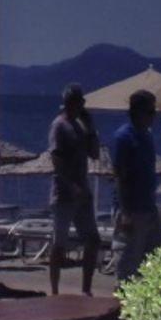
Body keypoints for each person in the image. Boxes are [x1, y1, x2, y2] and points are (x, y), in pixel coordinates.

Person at [46, 84, 102, 295]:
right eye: (77, 102)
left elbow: (95, 154)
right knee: (59, 244)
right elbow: (56, 160)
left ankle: (86, 289)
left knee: (93, 240)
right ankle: (54, 290)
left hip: (82, 194)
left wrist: (91, 128)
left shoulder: (79, 127)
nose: (80, 106)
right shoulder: (59, 126)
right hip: (64, 194)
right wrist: (71, 185)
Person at [110, 89, 161, 284]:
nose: (153, 116)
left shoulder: (147, 136)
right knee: (128, 259)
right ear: (137, 112)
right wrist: (125, 212)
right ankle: (122, 297)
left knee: (156, 256)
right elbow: (120, 176)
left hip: (148, 207)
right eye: (150, 112)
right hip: (131, 209)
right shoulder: (124, 138)